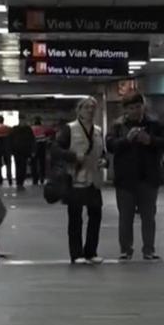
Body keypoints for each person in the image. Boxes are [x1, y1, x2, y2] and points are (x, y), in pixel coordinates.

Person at [107, 93, 164, 261]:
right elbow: (110, 146)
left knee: (149, 216)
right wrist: (126, 140)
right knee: (125, 217)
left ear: (143, 106)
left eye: (138, 107)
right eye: (131, 108)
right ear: (125, 110)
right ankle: (125, 249)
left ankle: (149, 250)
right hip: (125, 180)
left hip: (148, 178)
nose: (135, 111)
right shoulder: (117, 126)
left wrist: (149, 140)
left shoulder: (155, 125)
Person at [53, 97, 106, 265]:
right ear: (79, 110)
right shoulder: (69, 129)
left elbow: (103, 153)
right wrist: (74, 156)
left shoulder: (98, 131)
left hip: (94, 180)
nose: (90, 110)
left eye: (93, 107)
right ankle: (76, 254)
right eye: (87, 107)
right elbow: (55, 150)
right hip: (75, 180)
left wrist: (104, 162)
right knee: (75, 218)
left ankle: (91, 252)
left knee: (95, 215)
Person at [9, 121, 36, 190]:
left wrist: (32, 150)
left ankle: (19, 183)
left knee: (20, 167)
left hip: (21, 151)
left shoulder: (16, 129)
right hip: (21, 151)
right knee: (21, 167)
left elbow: (32, 140)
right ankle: (19, 183)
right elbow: (32, 140)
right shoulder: (27, 129)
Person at [31, 117, 50, 186]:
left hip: (34, 147)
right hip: (42, 146)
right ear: (40, 123)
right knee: (42, 163)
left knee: (34, 164)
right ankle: (42, 177)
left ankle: (35, 179)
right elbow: (50, 133)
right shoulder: (44, 128)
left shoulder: (31, 128)